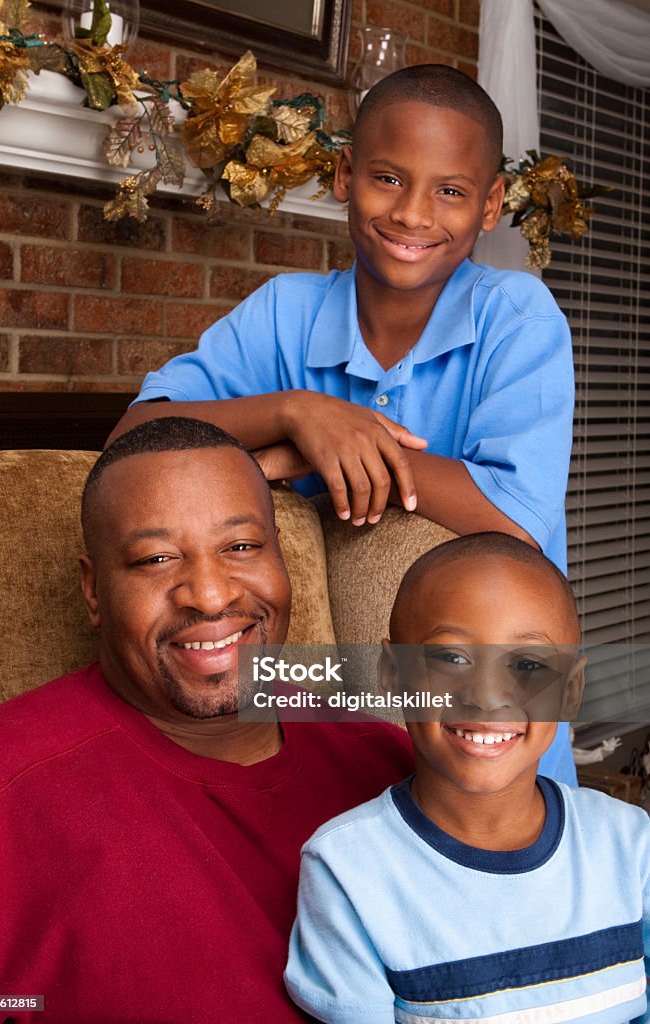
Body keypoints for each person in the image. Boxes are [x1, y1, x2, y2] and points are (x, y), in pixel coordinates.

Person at [111, 64, 575, 781]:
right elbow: (133, 440)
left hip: (501, 694)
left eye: (449, 191)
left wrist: (333, 453)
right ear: (342, 174)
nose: (412, 215)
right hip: (351, 677)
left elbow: (514, 524)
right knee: (339, 826)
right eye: (387, 179)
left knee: (516, 862)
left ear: (488, 207)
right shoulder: (284, 311)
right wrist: (300, 412)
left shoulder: (516, 317)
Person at [0, 417, 414, 1024]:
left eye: (241, 548)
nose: (208, 595)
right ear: (94, 591)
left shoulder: (382, 749)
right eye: (155, 558)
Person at [284, 533, 650, 1024]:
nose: (486, 695)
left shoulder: (631, 845)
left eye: (527, 664)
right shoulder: (347, 871)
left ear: (571, 688)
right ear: (394, 675)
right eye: (451, 659)